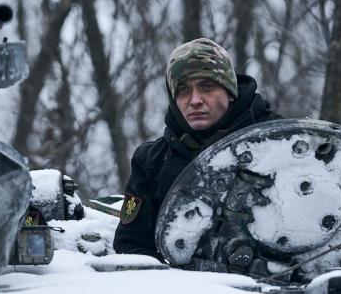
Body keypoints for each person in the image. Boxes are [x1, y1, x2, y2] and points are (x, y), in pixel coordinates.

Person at [113, 38, 280, 258]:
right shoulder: (151, 160)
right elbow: (131, 245)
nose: (195, 100)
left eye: (206, 87)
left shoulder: (279, 141)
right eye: (183, 90)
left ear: (230, 91)